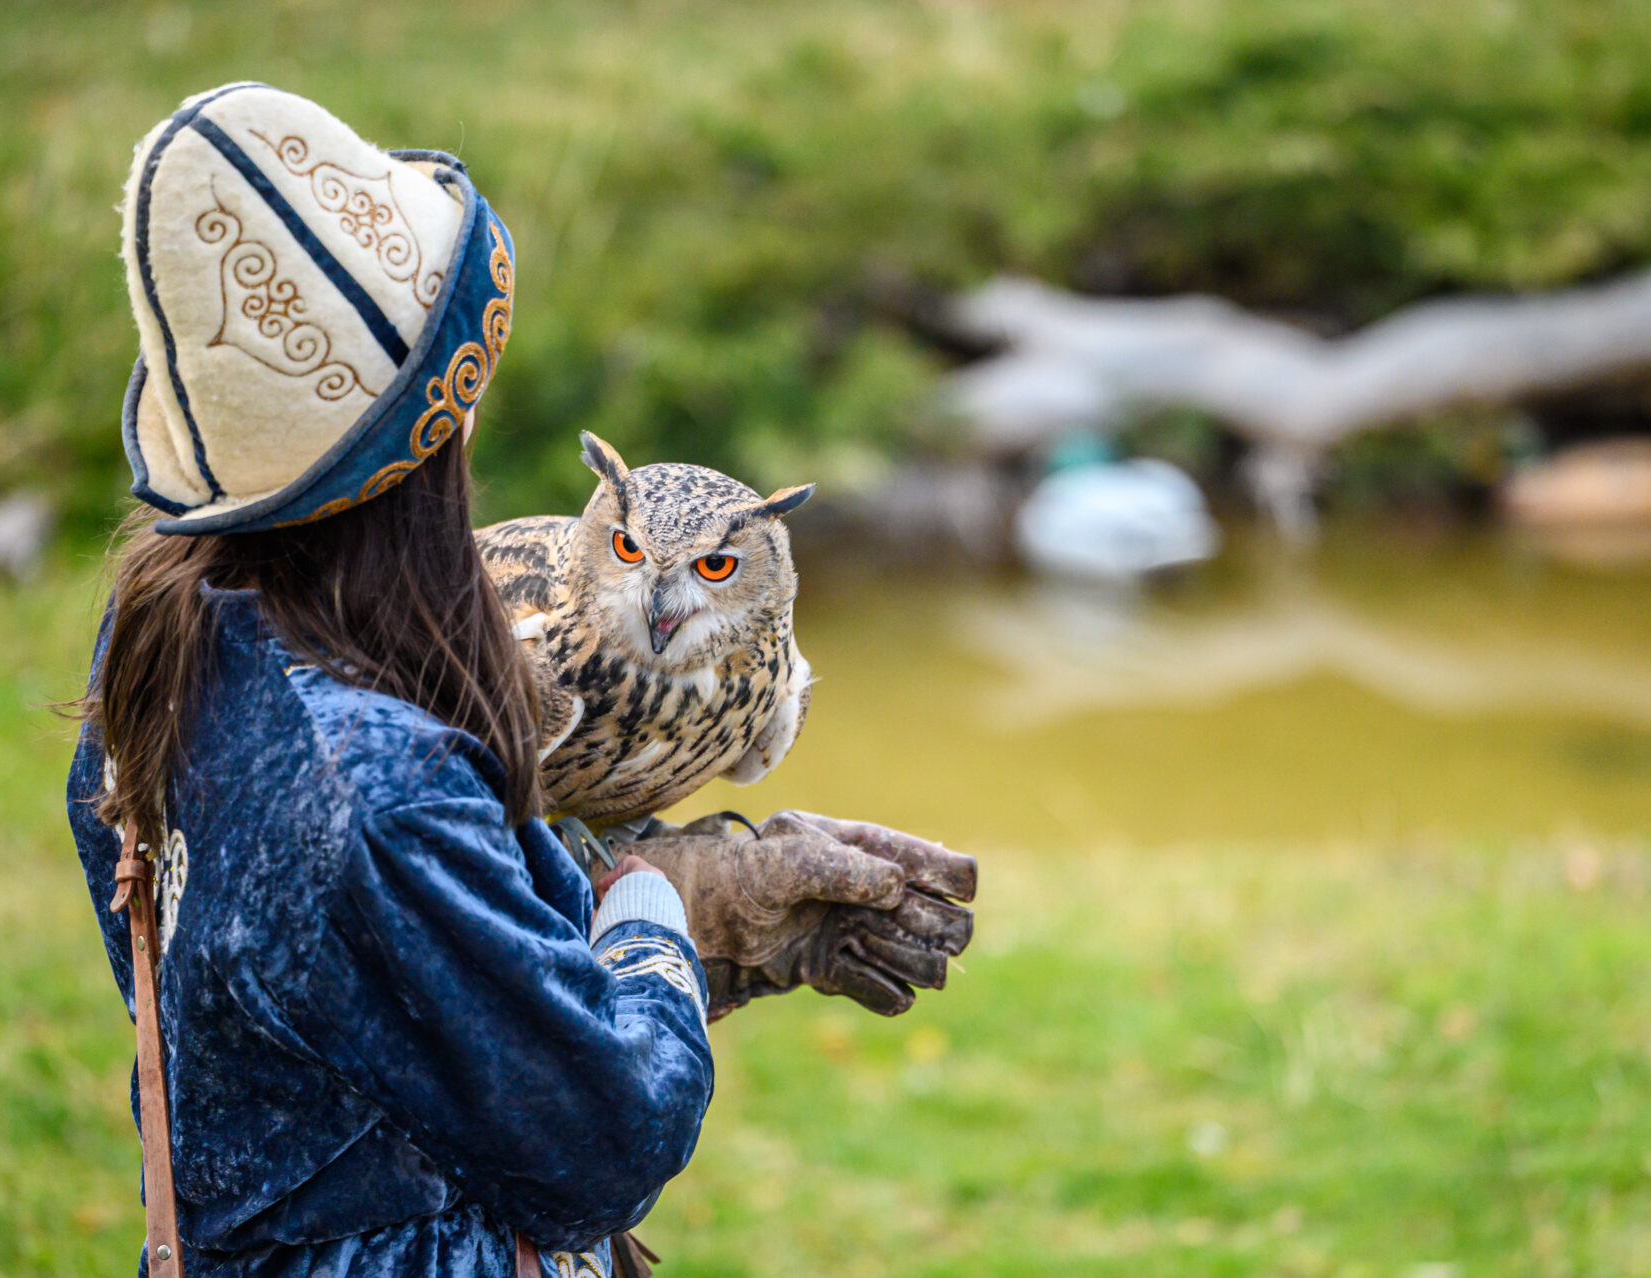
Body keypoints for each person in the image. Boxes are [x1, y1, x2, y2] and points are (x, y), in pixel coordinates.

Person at [68, 84, 974, 1278]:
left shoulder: (174, 634)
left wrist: (655, 923)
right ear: (421, 440)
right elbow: (606, 1138)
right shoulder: (373, 779)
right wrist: (661, 920)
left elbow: (386, 987)